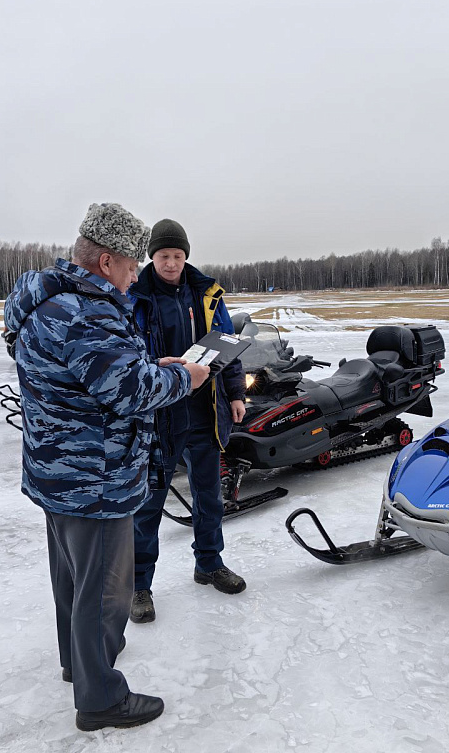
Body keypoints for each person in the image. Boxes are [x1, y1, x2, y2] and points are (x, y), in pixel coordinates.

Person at [4, 203, 209, 732]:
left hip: (56, 470)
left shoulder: (47, 297)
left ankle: (80, 665)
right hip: (95, 476)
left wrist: (146, 365)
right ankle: (99, 700)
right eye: (129, 263)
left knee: (73, 580)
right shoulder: (87, 311)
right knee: (105, 592)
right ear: (105, 262)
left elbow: (94, 375)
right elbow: (129, 393)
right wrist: (185, 378)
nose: (133, 274)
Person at [129, 218, 246, 624]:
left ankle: (209, 564)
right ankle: (139, 586)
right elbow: (124, 356)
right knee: (149, 505)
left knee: (209, 496)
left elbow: (228, 345)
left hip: (204, 412)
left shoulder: (207, 293)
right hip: (159, 414)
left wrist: (235, 394)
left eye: (178, 255)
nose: (171, 263)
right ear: (152, 257)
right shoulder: (135, 296)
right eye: (164, 255)